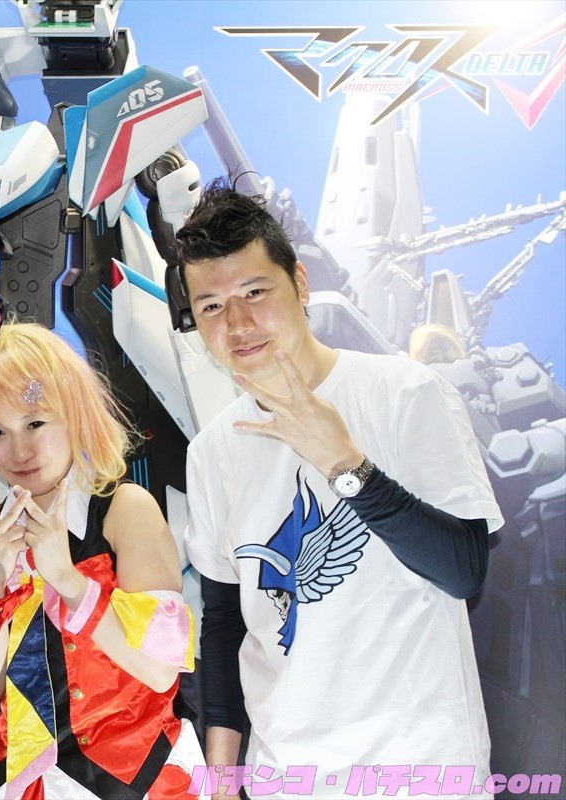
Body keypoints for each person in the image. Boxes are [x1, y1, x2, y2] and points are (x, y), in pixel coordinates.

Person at [176, 178, 503, 799]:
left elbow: (464, 570)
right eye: (212, 306)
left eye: (254, 292)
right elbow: (223, 623)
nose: (238, 324)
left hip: (422, 771)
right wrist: (221, 777)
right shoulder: (212, 451)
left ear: (300, 284)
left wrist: (345, 464)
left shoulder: (406, 393)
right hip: (285, 777)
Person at [0, 316, 204, 800]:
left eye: (35, 423)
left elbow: (159, 671)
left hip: (142, 776)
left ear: (73, 414)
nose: (20, 450)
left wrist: (68, 580)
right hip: (25, 781)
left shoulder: (125, 511)